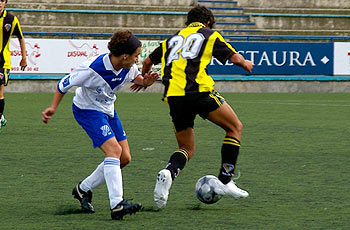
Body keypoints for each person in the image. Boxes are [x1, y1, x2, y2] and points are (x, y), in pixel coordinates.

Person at [142, 5, 253, 209]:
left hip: (174, 96)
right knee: (234, 127)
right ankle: (226, 180)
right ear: (208, 22)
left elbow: (148, 61)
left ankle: (168, 172)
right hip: (199, 91)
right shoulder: (210, 34)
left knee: (185, 148)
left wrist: (145, 79)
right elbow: (235, 58)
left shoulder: (171, 39)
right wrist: (245, 63)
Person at [41, 30, 159, 220]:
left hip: (108, 110)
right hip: (87, 110)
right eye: (136, 56)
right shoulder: (92, 69)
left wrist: (145, 82)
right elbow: (63, 85)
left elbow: (135, 77)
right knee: (114, 151)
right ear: (124, 56)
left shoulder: (127, 66)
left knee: (125, 158)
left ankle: (83, 189)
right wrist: (52, 108)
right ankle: (117, 204)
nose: (138, 60)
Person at [0, 0, 27, 131]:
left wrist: (24, 57)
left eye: (1, 0)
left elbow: (20, 37)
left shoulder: (11, 19)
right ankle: (2, 117)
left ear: (5, 3)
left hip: (3, 62)